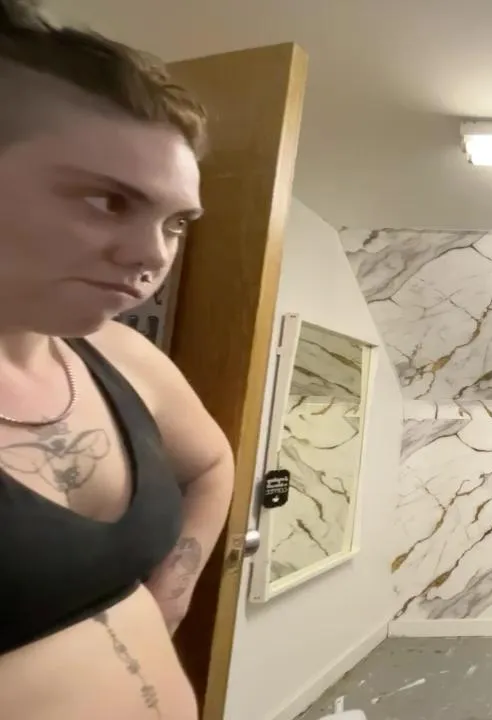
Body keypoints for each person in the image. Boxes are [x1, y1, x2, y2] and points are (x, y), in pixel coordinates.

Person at [0, 2, 232, 719]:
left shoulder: (121, 354)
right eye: (108, 201)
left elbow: (211, 463)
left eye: (175, 223)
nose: (152, 255)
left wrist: (175, 588)